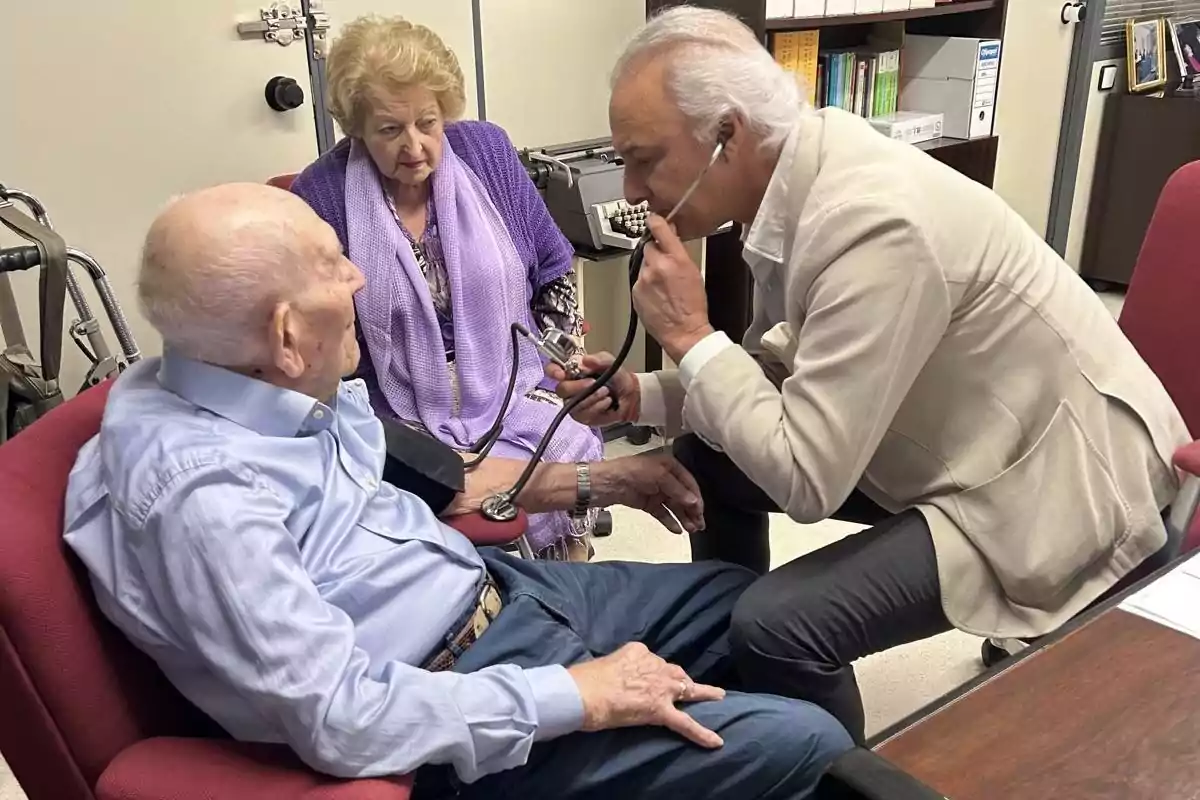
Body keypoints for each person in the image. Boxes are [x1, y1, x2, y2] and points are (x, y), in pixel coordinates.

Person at [62, 183, 852, 799]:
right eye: (334, 267)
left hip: (496, 589)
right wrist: (577, 693)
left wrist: (602, 480)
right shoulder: (203, 502)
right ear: (287, 336)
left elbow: (442, 484)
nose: (359, 276)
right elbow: (340, 718)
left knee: (752, 608)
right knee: (806, 744)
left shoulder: (241, 378)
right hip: (450, 697)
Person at [553, 6, 1191, 744]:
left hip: (1052, 489)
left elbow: (806, 478)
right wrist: (648, 392)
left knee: (778, 626)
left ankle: (831, 773)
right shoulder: (802, 174)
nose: (630, 191)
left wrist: (693, 338)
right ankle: (734, 673)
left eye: (643, 158)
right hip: (958, 436)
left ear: (727, 135)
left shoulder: (873, 222)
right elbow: (789, 367)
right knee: (712, 460)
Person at [290, 15, 601, 561]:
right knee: (429, 479)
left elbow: (553, 268)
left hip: (515, 382)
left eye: (427, 123)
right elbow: (325, 331)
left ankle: (571, 589)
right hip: (397, 406)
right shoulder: (322, 192)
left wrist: (561, 359)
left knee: (564, 445)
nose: (414, 145)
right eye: (390, 129)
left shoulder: (487, 152)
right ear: (357, 128)